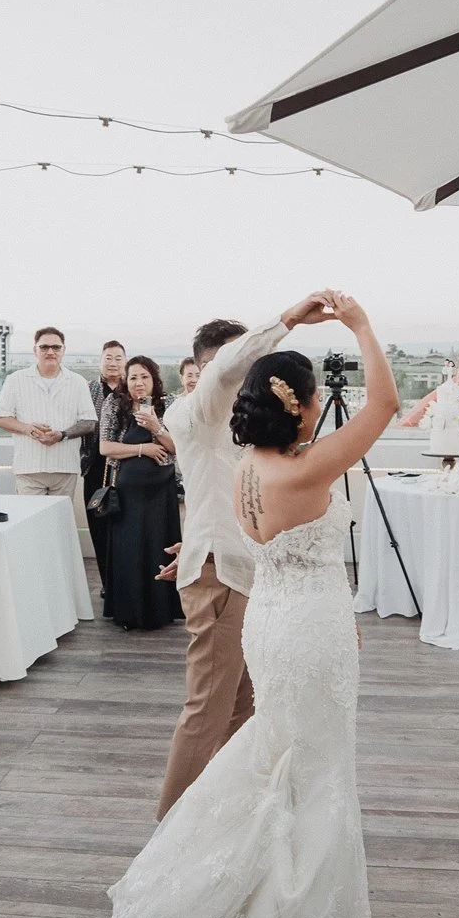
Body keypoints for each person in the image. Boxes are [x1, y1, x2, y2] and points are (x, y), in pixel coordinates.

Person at [108, 291, 395, 918]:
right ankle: (284, 901)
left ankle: (229, 867)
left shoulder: (243, 468)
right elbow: (384, 407)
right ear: (298, 405)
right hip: (304, 627)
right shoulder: (304, 467)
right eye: (317, 393)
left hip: (272, 615)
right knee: (309, 756)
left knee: (270, 748)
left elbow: (267, 543)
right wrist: (358, 323)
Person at [149, 293, 337, 819]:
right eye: (242, 363)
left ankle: (227, 818)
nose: (252, 374)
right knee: (207, 708)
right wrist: (290, 320)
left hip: (248, 572)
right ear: (209, 367)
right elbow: (230, 365)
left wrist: (196, 540)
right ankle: (171, 829)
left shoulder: (231, 422)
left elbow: (228, 494)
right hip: (223, 576)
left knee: (246, 707)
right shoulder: (199, 407)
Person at [99, 356, 182, 631]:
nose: (138, 383)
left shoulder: (169, 404)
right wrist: (141, 449)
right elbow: (105, 448)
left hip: (161, 491)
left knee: (158, 544)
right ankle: (128, 612)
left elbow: (176, 448)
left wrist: (155, 428)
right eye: (133, 377)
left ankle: (162, 610)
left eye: (144, 377)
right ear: (126, 380)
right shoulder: (114, 403)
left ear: (154, 380)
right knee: (129, 549)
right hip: (126, 492)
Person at [0, 328, 97, 539]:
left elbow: (89, 422)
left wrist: (62, 434)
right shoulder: (17, 379)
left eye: (56, 347)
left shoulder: (77, 381)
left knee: (59, 529)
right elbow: (0, 417)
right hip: (29, 467)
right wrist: (27, 428)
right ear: (35, 350)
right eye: (44, 347)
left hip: (64, 467)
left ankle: (58, 572)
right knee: (29, 528)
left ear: (63, 350)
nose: (50, 351)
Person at [83, 340, 127, 591]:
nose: (113, 363)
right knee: (98, 526)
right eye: (108, 358)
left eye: (118, 358)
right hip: (95, 465)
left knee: (122, 525)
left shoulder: (132, 387)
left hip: (125, 465)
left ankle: (123, 581)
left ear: (125, 361)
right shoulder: (88, 389)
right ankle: (107, 584)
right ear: (100, 361)